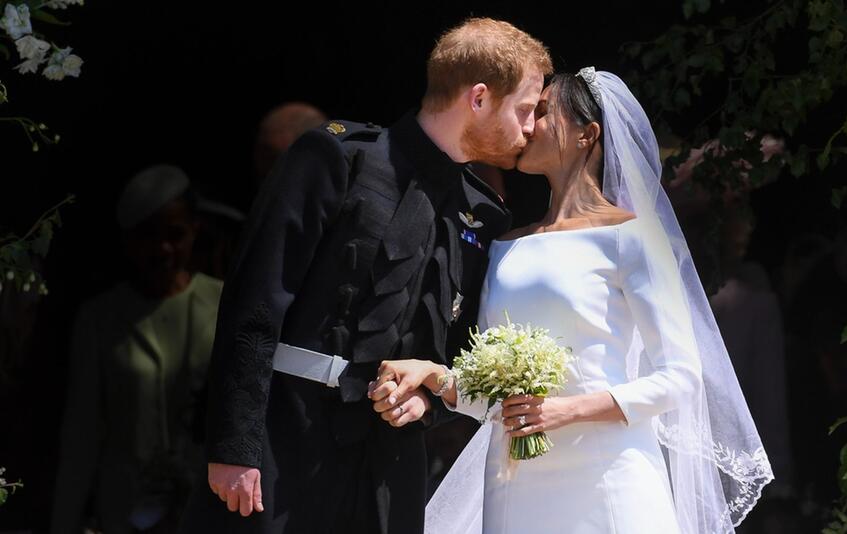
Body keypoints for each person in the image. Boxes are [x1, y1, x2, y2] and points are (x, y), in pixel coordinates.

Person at [177, 17, 552, 534]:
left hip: (389, 467)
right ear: (480, 98)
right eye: (526, 110)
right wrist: (234, 446)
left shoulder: (484, 215)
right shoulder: (336, 158)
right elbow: (254, 305)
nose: (532, 128)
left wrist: (426, 401)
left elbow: (458, 353)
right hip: (286, 439)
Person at [370, 68, 774, 534]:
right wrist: (435, 376)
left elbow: (681, 378)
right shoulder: (506, 246)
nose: (527, 124)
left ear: (587, 134)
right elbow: (490, 398)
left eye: (542, 112)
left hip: (607, 476)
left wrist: (567, 409)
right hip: (513, 485)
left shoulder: (630, 239)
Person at [50, 164, 223, 533]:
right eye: (147, 235)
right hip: (125, 511)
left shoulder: (225, 304)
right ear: (127, 240)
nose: (162, 249)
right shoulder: (100, 318)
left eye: (174, 234)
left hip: (207, 505)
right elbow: (81, 432)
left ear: (195, 230)